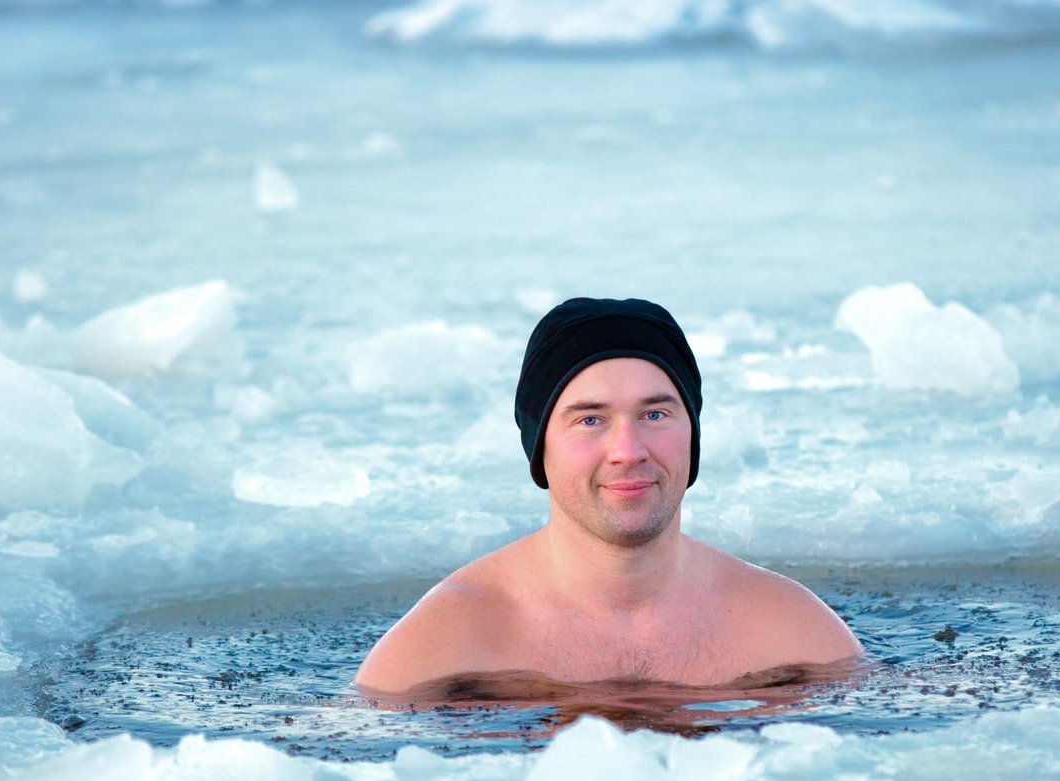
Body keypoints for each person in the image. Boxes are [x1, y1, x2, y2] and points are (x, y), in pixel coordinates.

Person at [354, 296, 862, 696]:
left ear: (693, 434)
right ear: (540, 447)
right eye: (590, 419)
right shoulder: (447, 642)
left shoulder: (788, 629)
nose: (628, 450)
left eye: (655, 415)